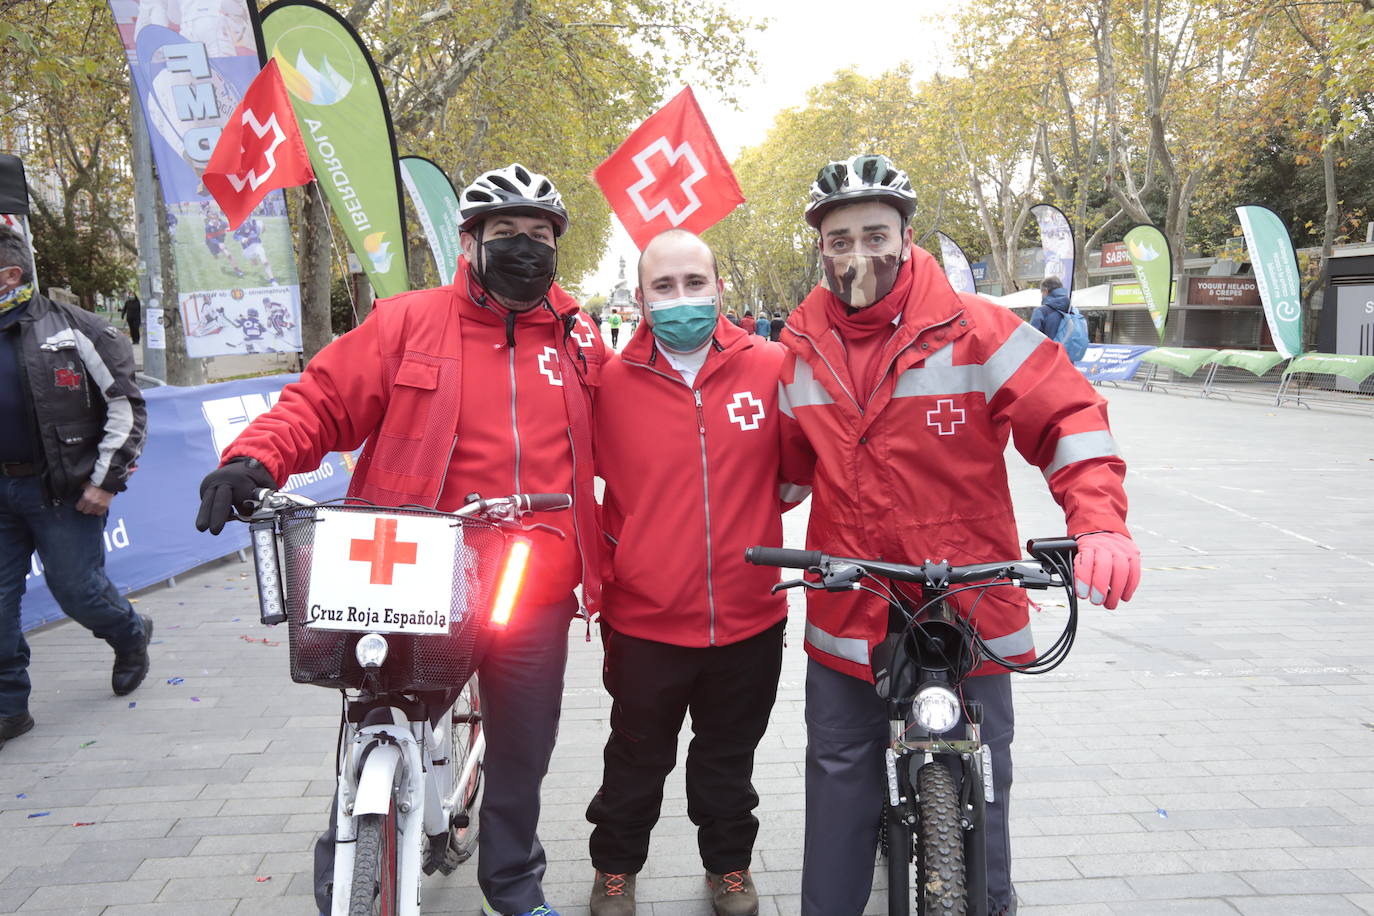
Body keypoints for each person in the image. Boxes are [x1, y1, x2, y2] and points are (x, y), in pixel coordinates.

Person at [193, 163, 605, 916]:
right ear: (470, 241)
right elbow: (320, 401)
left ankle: (513, 887)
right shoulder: (407, 321)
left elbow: (634, 433)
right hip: (413, 568)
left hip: (533, 579)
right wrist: (255, 457)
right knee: (373, 719)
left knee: (523, 747)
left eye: (539, 237)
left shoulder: (579, 342)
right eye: (504, 234)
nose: (523, 249)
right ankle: (346, 875)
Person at [777, 155, 1140, 916]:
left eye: (875, 235)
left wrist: (1100, 523)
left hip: (967, 590)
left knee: (986, 772)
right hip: (854, 594)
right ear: (820, 248)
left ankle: (990, 903)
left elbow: (1069, 415)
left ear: (907, 237)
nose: (857, 255)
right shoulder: (799, 347)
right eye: (839, 240)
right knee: (840, 770)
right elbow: (777, 471)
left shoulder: (977, 330)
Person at [586, 229, 808, 916]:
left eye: (693, 283)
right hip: (646, 620)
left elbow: (796, 477)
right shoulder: (606, 384)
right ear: (642, 298)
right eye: (664, 287)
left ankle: (730, 868)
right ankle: (615, 869)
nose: (681, 299)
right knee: (636, 758)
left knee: (726, 761)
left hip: (750, 615)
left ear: (718, 288)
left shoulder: (772, 366)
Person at [0, 226, 152, 749]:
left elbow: (127, 407)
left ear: (10, 275)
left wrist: (105, 482)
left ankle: (130, 634)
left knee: (77, 592)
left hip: (64, 493)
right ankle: (9, 708)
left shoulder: (77, 328)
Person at [1030, 276, 1070, 340]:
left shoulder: (1041, 312)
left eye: (1042, 292)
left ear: (1045, 291)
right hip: (1067, 349)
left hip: (1048, 349)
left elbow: (1031, 339)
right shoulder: (1072, 310)